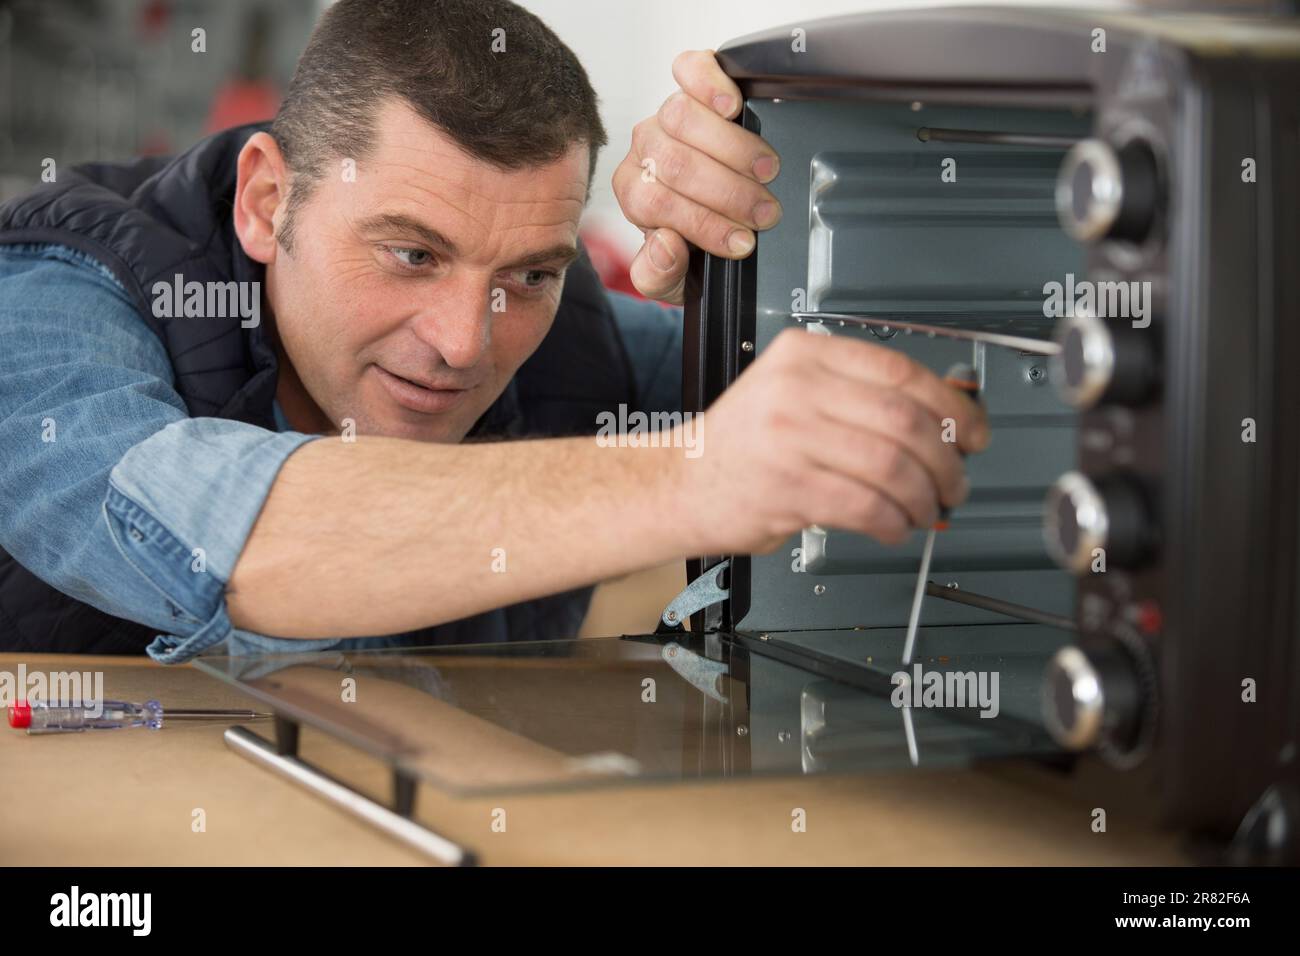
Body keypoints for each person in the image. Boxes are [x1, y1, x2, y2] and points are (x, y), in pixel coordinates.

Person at [0, 0, 987, 661]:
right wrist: (693, 474)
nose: (467, 341)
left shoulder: (572, 344)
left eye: (528, 272)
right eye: (412, 254)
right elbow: (215, 536)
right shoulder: (54, 293)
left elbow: (932, 409)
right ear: (266, 199)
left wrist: (745, 278)